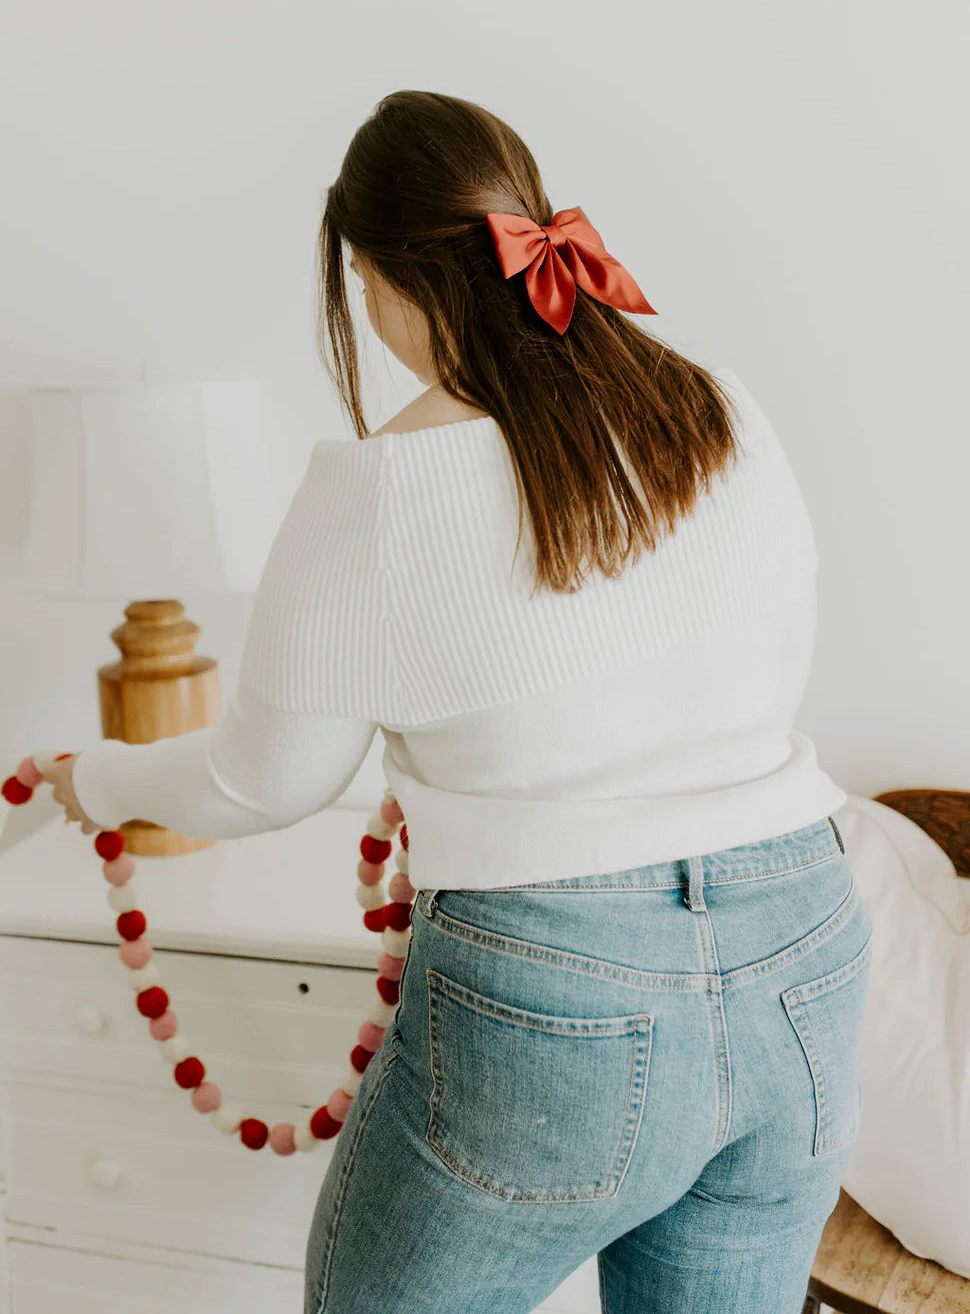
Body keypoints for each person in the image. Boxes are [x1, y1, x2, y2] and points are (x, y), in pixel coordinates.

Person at [53, 90, 871, 1314]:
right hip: (804, 941)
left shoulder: (378, 489)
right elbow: (758, 673)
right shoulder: (718, 405)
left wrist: (92, 778)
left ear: (378, 278)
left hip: (560, 991)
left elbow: (260, 782)